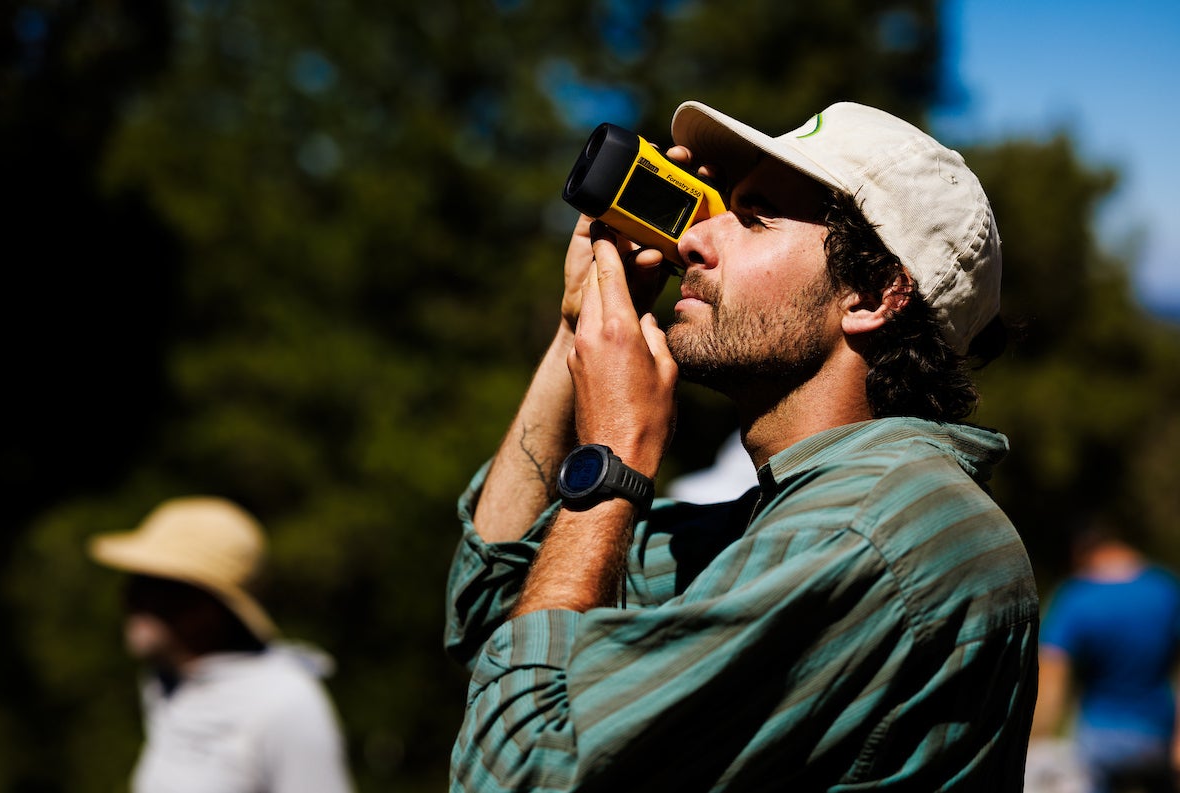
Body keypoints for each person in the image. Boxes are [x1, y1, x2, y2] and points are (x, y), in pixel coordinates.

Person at [445, 99, 1039, 791]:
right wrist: (583, 321)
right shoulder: (791, 519)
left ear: (874, 293)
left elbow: (516, 773)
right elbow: (499, 607)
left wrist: (612, 463)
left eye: (754, 217)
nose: (693, 242)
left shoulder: (866, 530)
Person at [88, 495, 354, 793]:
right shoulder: (167, 688)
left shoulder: (283, 705)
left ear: (209, 605)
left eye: (156, 586)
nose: (131, 598)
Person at [1032, 523, 1180, 793]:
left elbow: (1053, 675)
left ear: (1081, 553)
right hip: (1157, 733)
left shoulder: (1076, 597)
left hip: (1098, 736)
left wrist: (1039, 735)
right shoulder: (1166, 589)